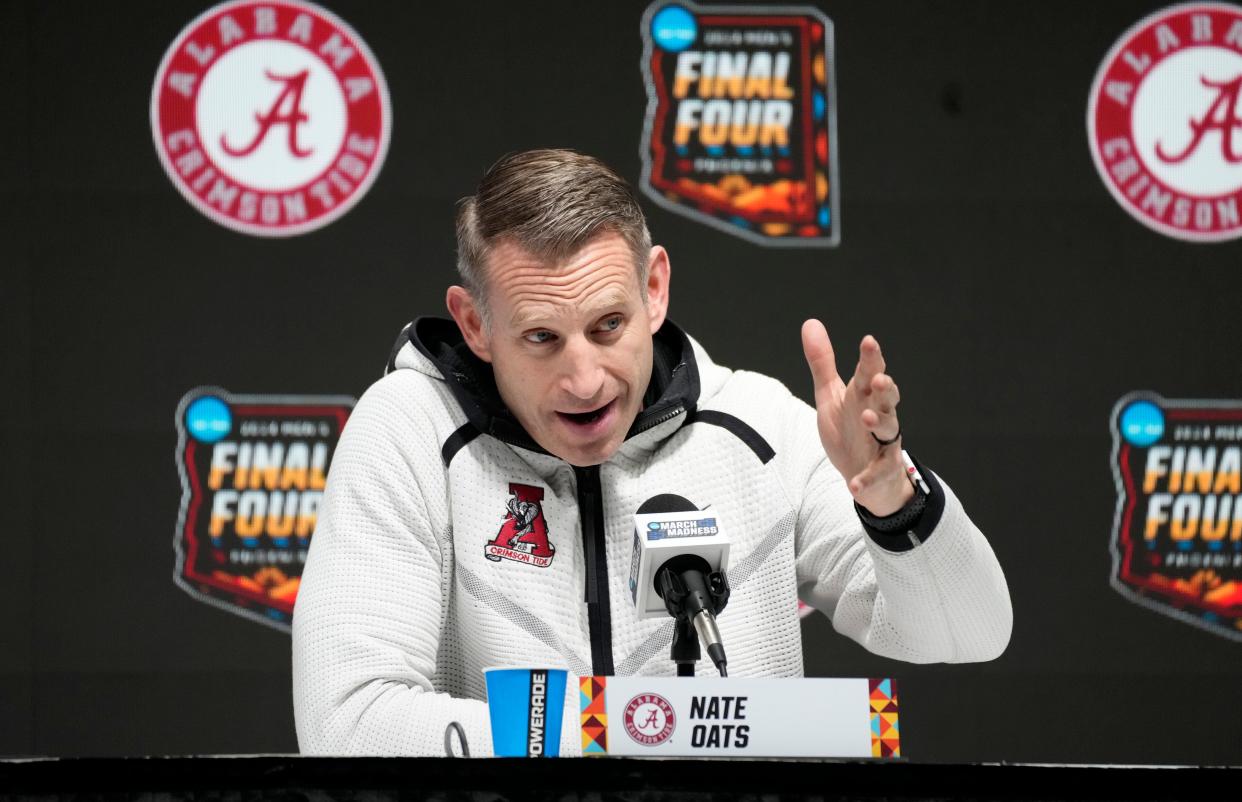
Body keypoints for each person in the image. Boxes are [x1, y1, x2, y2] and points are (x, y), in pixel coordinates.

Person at [292, 149, 1012, 756]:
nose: (584, 380)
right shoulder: (409, 428)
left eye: (608, 325)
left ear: (655, 288)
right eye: (541, 337)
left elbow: (970, 632)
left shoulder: (757, 423)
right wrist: (619, 736)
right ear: (475, 324)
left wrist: (890, 496)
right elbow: (347, 723)